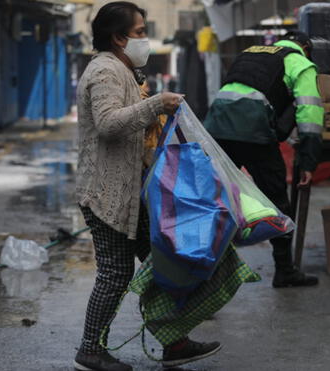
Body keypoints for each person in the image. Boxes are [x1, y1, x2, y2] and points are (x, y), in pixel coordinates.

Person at [74, 2, 220, 370]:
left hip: (133, 193)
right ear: (118, 37)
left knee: (159, 266)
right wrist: (156, 103)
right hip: (106, 195)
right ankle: (90, 349)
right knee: (115, 273)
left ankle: (174, 343)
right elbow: (108, 123)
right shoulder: (105, 71)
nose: (145, 39)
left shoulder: (126, 70)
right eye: (140, 33)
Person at [203, 31, 323, 288]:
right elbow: (309, 116)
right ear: (305, 47)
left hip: (216, 126)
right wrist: (309, 162)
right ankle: (285, 270)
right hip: (253, 129)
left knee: (219, 200)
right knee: (277, 200)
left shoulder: (250, 53)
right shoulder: (301, 62)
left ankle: (207, 274)